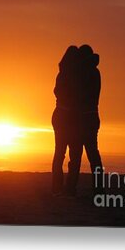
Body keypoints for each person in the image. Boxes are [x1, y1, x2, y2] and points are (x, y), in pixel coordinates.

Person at [66, 44, 104, 195]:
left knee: (76, 155)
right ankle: (98, 189)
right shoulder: (95, 73)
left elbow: (77, 96)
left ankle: (70, 188)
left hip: (80, 119)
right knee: (93, 155)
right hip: (92, 117)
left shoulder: (82, 74)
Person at [51, 45, 82, 195]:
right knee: (74, 154)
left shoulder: (61, 74)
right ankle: (69, 188)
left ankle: (58, 187)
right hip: (69, 118)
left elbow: (57, 92)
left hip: (59, 115)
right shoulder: (75, 77)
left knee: (60, 153)